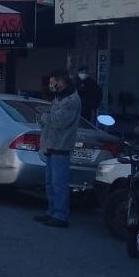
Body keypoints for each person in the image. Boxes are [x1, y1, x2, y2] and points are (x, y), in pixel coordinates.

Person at [36, 70, 82, 228]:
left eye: (54, 82)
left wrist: (44, 118)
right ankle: (52, 211)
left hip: (61, 146)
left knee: (59, 183)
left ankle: (61, 215)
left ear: (62, 81)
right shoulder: (59, 98)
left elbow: (58, 121)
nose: (52, 85)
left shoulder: (71, 100)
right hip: (50, 145)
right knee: (50, 183)